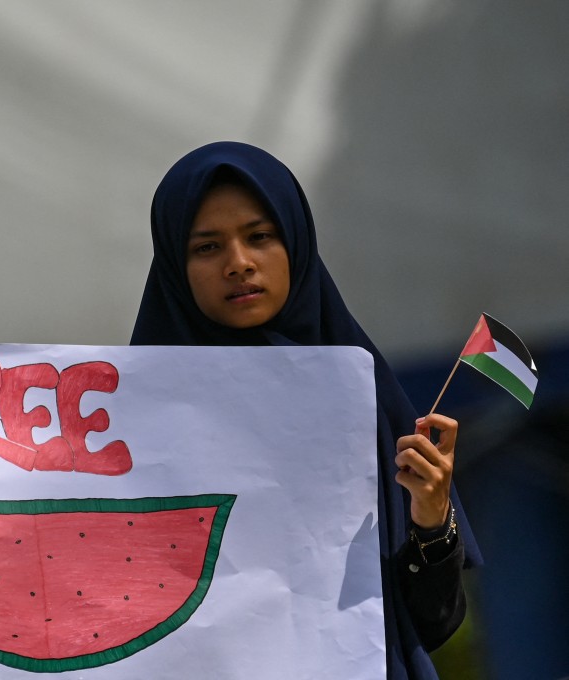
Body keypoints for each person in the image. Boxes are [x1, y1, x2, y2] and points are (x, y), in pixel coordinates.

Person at [130, 142, 482, 680]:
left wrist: (430, 517)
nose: (238, 263)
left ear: (296, 240)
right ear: (175, 267)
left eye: (260, 237)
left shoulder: (362, 393)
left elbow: (431, 623)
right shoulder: (122, 421)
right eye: (207, 247)